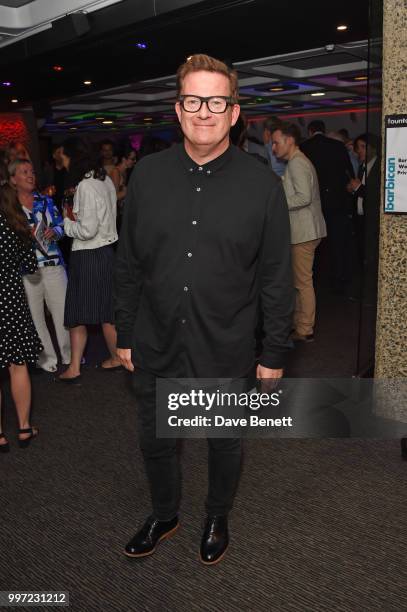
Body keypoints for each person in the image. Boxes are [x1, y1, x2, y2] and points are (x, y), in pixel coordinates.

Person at [115, 54, 294, 565]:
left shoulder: (261, 185)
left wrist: (275, 349)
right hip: (155, 338)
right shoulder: (147, 176)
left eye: (217, 101)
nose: (204, 111)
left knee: (223, 441)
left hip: (225, 342)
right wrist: (124, 331)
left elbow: (276, 277)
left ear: (234, 112)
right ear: (178, 109)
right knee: (155, 440)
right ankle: (165, 514)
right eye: (194, 100)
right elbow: (127, 262)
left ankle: (217, 515)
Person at [57, 138, 119, 383]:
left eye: (64, 158)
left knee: (76, 314)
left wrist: (66, 222)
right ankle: (116, 357)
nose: (63, 163)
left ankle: (74, 367)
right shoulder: (105, 181)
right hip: (106, 253)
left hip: (89, 254)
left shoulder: (85, 185)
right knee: (108, 311)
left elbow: (87, 230)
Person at [9, 158, 71, 372]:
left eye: (32, 171)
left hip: (53, 265)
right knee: (35, 317)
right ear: (13, 179)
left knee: (63, 314)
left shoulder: (45, 201)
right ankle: (47, 360)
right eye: (24, 171)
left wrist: (55, 232)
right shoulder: (9, 208)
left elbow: (62, 226)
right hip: (27, 269)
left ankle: (69, 355)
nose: (30, 175)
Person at [271, 122, 327, 342]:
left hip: (304, 231)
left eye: (276, 142)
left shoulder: (297, 163)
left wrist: (277, 202)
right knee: (300, 281)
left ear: (289, 140)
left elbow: (303, 197)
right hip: (306, 230)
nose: (274, 148)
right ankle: (300, 323)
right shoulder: (297, 162)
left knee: (302, 282)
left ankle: (305, 328)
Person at [0, 175, 42, 452]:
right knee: (18, 364)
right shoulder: (14, 225)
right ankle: (24, 427)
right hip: (10, 297)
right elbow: (29, 267)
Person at [300, 120, 354, 294]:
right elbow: (349, 175)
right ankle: (338, 281)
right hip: (337, 203)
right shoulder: (338, 147)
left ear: (310, 131)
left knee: (314, 246)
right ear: (324, 130)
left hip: (314, 205)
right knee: (337, 244)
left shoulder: (304, 147)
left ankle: (315, 280)